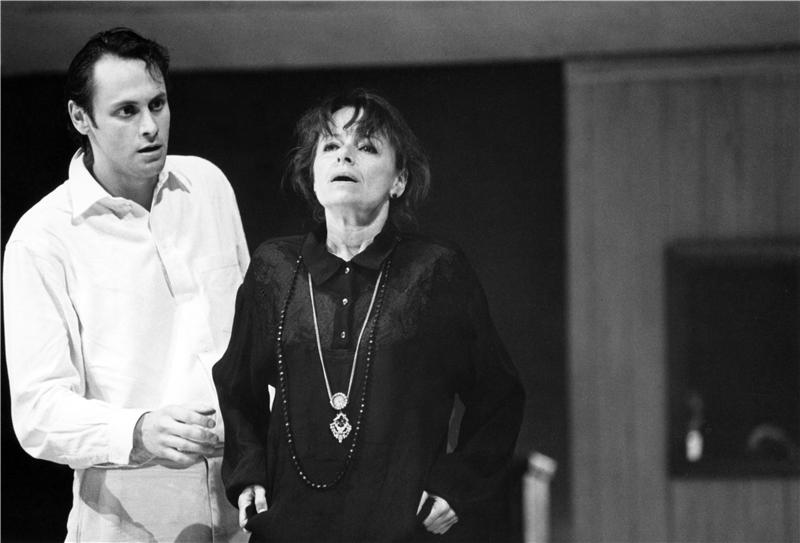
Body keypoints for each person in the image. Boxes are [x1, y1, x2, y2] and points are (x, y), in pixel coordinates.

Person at [213, 89, 524, 543]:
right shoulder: (273, 267)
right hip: (288, 526)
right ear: (312, 174)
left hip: (400, 529)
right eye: (331, 145)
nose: (345, 156)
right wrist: (248, 475)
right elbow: (236, 386)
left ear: (399, 180)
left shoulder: (435, 269)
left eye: (367, 146)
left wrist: (457, 487)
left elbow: (499, 394)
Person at [3, 27, 249, 542]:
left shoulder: (207, 185)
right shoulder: (43, 237)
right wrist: (138, 430)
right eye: (126, 111)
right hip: (130, 496)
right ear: (80, 117)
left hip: (242, 482)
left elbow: (256, 335)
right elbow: (38, 410)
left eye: (157, 104)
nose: (150, 127)